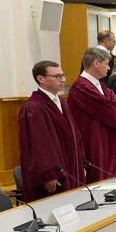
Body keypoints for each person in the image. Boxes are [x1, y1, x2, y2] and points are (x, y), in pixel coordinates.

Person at [18, 60, 84, 201]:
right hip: (54, 174)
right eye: (57, 76)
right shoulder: (34, 107)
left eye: (63, 75)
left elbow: (75, 135)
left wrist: (81, 162)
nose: (63, 79)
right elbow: (38, 144)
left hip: (70, 165)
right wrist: (49, 174)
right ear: (41, 79)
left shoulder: (62, 102)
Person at [68, 47, 116, 183]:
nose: (109, 68)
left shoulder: (100, 86)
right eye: (107, 64)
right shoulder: (81, 86)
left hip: (106, 137)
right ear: (96, 63)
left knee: (109, 177)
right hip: (93, 139)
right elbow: (111, 109)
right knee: (97, 178)